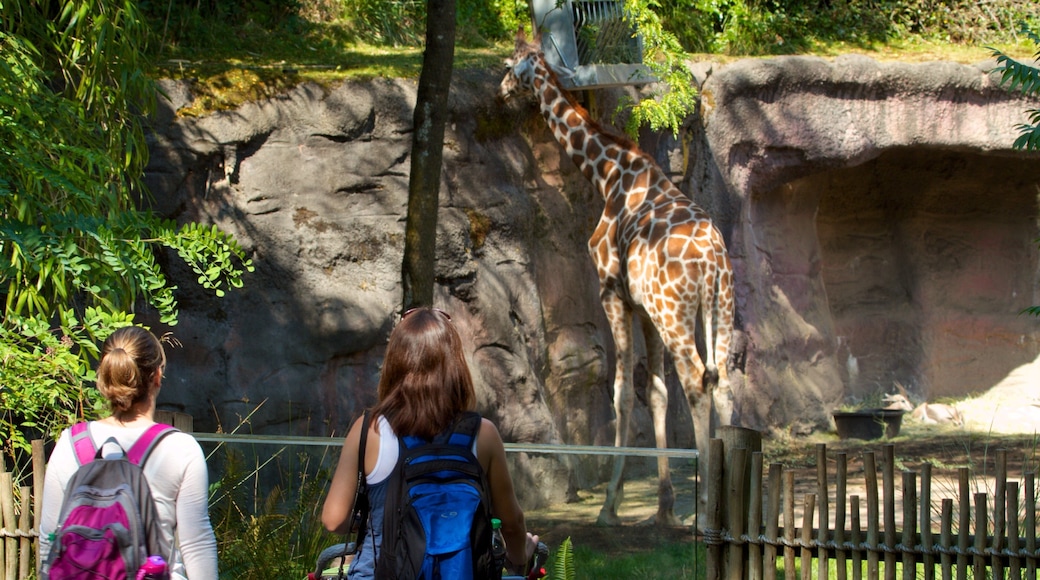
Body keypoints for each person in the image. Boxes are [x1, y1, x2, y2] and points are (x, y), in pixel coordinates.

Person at [322, 307, 538, 579]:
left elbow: (334, 520)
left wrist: (380, 521)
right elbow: (512, 522)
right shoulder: (483, 434)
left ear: (395, 364)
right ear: (455, 365)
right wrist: (519, 559)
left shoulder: (369, 429)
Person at [39, 325, 218, 580]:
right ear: (157, 376)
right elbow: (196, 545)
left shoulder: (70, 444)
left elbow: (49, 538)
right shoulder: (180, 449)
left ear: (103, 377)